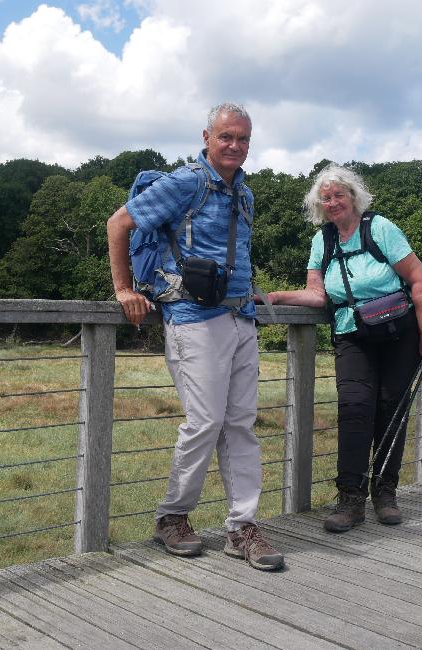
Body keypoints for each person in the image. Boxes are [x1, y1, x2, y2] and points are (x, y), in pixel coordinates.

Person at [106, 102, 284, 570]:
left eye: (244, 139)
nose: (236, 146)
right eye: (226, 137)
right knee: (205, 422)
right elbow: (118, 223)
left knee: (241, 425)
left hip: (241, 318)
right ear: (206, 137)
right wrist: (123, 289)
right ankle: (173, 517)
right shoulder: (186, 182)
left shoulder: (243, 192)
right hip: (192, 318)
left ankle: (243, 527)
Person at [264, 164, 422, 532]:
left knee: (392, 409)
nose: (332, 202)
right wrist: (276, 296)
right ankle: (350, 500)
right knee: (355, 408)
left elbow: (418, 280)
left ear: (353, 197)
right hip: (350, 332)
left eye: (338, 195)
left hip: (399, 332)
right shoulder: (322, 241)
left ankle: (386, 493)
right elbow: (317, 294)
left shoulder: (380, 228)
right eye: (325, 198)